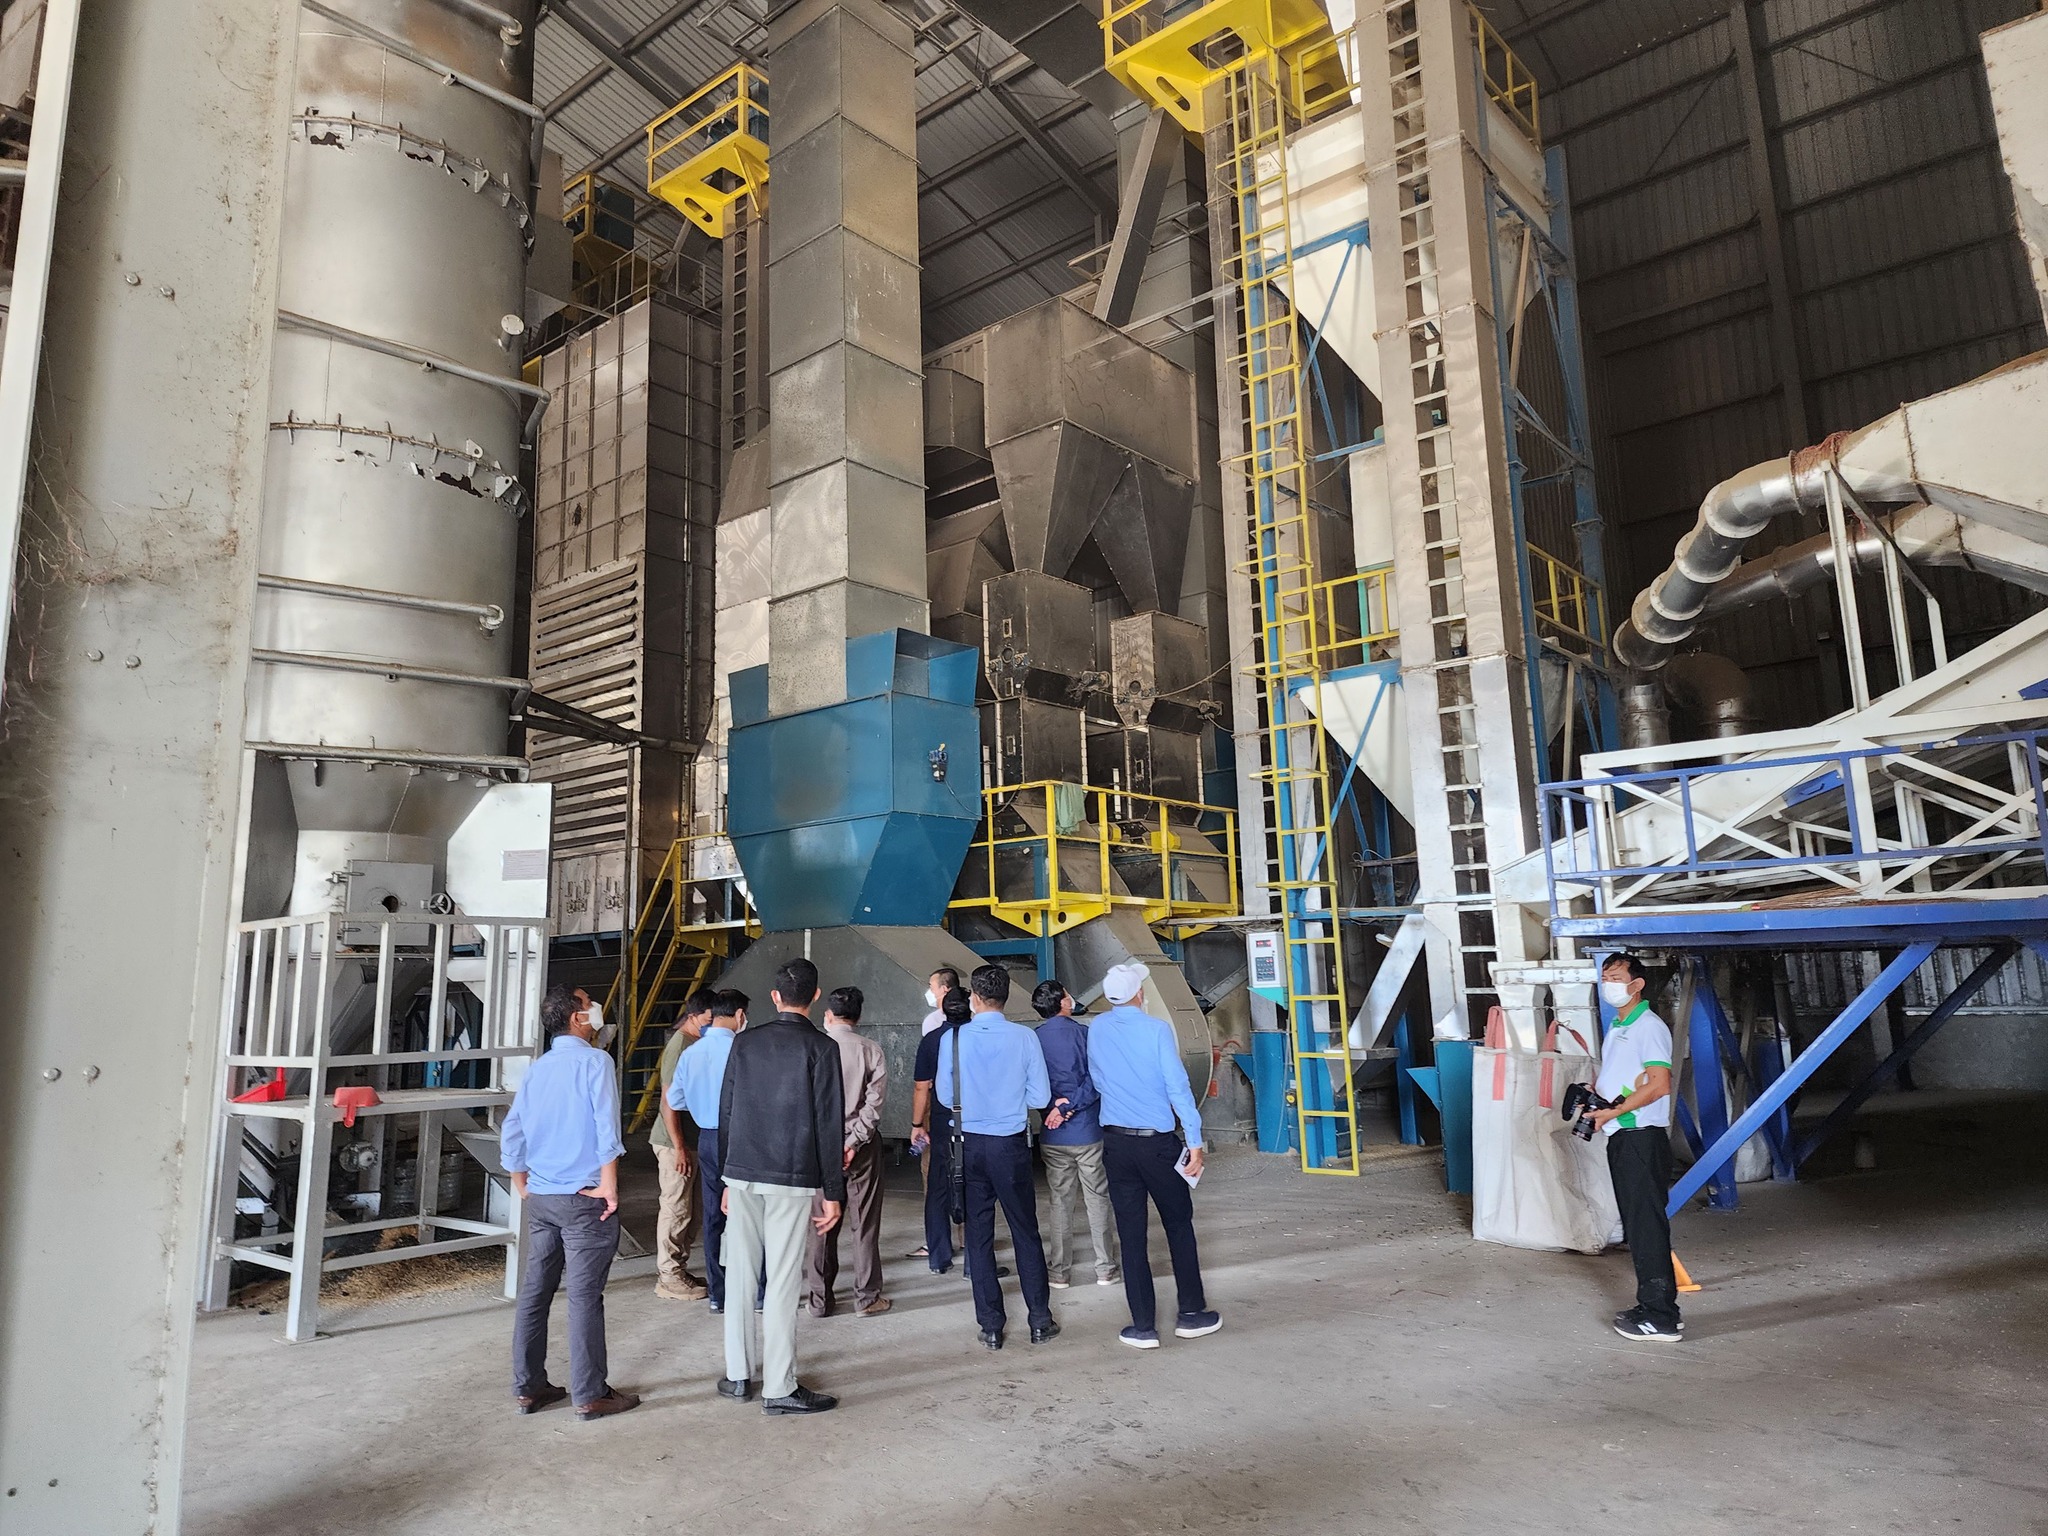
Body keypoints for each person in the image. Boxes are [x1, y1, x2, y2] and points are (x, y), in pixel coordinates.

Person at [714, 958, 846, 1414]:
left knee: (740, 1275)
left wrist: (726, 1177)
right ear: (815, 997)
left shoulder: (744, 1043)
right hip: (791, 1177)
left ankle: (737, 1374)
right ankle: (778, 1386)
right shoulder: (822, 1048)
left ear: (774, 997)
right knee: (784, 1280)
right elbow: (829, 1125)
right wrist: (833, 1191)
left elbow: (727, 1111)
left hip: (742, 1172)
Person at [502, 983, 639, 1420]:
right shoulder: (596, 1062)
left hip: (543, 1197)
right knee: (583, 1297)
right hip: (584, 1198)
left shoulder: (538, 1069)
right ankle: (590, 1393)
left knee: (535, 1291)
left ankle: (528, 1388)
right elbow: (605, 1127)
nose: (596, 1007)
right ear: (578, 1018)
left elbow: (513, 1129)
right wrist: (610, 1186)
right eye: (589, 1003)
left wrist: (521, 1181)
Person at [1089, 961, 1219, 1350]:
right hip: (1158, 1144)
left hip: (1116, 1144)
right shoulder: (1157, 1030)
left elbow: (1098, 1080)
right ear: (1139, 994)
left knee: (1131, 1236)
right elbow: (1177, 1087)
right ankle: (1191, 1314)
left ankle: (1143, 1326)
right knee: (1178, 1225)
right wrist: (1194, 1139)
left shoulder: (1096, 1028)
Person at [936, 964, 1058, 1351]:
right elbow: (1040, 1097)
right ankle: (1040, 1320)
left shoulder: (953, 1039)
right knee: (1025, 1230)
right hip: (1010, 1145)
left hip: (968, 1145)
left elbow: (944, 1096)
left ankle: (991, 1326)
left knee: (978, 1235)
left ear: (974, 997)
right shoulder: (1025, 1038)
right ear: (1006, 998)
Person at [1588, 952, 1683, 1343]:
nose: (1608, 984)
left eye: (1616, 977)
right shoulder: (1619, 1026)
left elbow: (1659, 1084)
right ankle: (1653, 1307)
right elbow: (1625, 1077)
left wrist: (1615, 1112)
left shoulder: (1648, 1026)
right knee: (1638, 1226)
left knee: (1646, 1227)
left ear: (1637, 984)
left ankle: (1661, 1317)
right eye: (1605, 977)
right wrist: (1597, 1096)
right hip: (1624, 1136)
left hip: (1640, 1136)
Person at [804, 986, 891, 1318]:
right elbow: (874, 1105)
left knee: (821, 1223)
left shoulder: (814, 1049)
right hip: (863, 1148)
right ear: (858, 1016)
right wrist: (853, 1142)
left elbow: (807, 1104)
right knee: (864, 1222)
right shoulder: (871, 1050)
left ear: (828, 1015)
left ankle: (819, 1300)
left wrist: (828, 1143)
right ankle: (866, 1298)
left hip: (819, 1148)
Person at [1032, 980, 1120, 1290]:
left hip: (1053, 1134)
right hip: (1087, 1132)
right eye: (1068, 995)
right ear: (1063, 1003)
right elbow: (1097, 1079)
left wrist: (1055, 1110)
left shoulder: (1034, 1039)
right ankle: (1105, 1268)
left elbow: (1033, 1084)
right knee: (1097, 1198)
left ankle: (1059, 1271)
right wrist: (1071, 1106)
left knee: (1060, 1201)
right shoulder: (1085, 1034)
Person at [668, 989, 746, 1313]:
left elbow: (675, 1100)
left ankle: (718, 1294)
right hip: (741, 1138)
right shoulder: (743, 1049)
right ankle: (755, 1291)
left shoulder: (691, 1053)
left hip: (708, 1139)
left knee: (714, 1215)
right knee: (748, 1212)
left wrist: (703, 1102)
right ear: (740, 1015)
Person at [651, 990, 716, 1302]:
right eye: (709, 1018)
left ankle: (679, 1268)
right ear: (694, 1016)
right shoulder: (680, 1045)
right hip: (673, 1142)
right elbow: (668, 1102)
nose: (713, 1023)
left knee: (690, 1211)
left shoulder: (695, 1043)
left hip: (689, 1140)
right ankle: (669, 1276)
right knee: (676, 1208)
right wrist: (679, 1146)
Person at [910, 987, 972, 1276]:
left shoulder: (931, 1040)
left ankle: (939, 1257)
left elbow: (921, 1087)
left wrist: (917, 1125)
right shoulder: (979, 1037)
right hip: (975, 1122)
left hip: (940, 1121)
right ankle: (975, 1261)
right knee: (976, 1187)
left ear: (943, 1010)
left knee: (937, 1187)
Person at [919, 965, 962, 1035]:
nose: (930, 991)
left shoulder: (933, 1020)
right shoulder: (969, 1015)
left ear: (944, 989)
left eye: (931, 987)